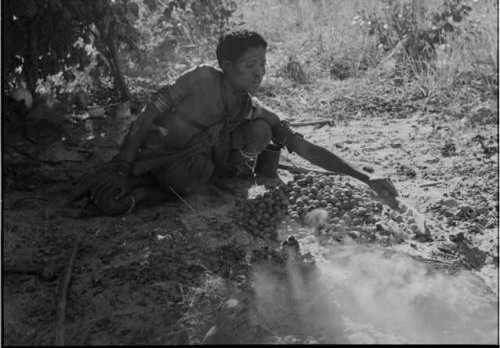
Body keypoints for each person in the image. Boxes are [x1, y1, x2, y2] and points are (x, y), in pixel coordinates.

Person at [71, 30, 398, 216]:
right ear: (227, 65)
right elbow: (147, 117)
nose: (260, 73)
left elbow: (302, 146)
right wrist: (122, 163)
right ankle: (158, 188)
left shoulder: (247, 104)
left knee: (264, 130)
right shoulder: (199, 79)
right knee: (125, 195)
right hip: (160, 159)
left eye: (263, 65)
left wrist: (364, 177)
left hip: (199, 170)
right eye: (250, 65)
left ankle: (229, 180)